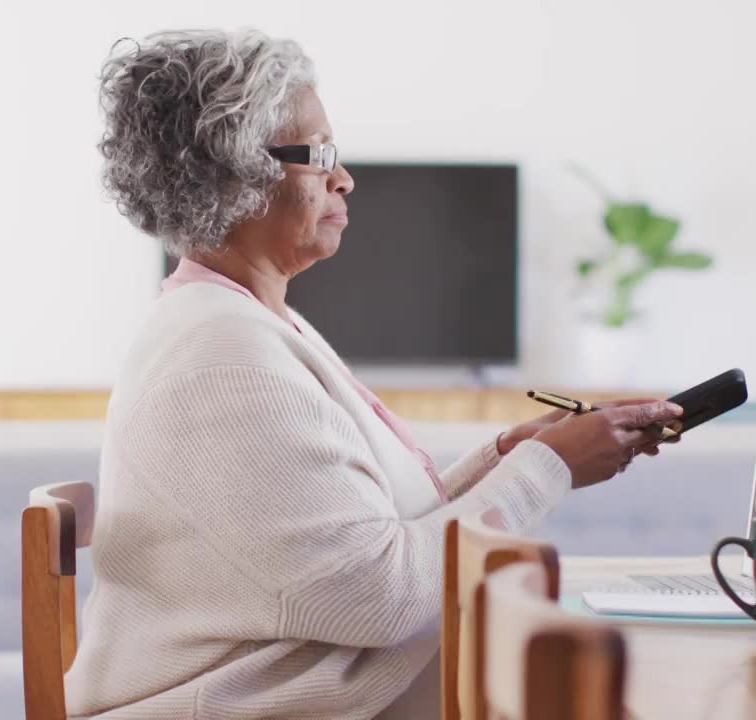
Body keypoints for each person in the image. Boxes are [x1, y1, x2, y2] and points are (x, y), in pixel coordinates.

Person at [64, 28, 683, 719]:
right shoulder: (224, 359)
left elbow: (360, 540)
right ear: (236, 172)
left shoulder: (245, 325)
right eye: (320, 153)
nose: (344, 177)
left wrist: (506, 455)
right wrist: (547, 468)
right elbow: (379, 598)